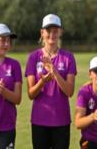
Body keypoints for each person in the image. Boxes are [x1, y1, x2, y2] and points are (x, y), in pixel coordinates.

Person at [25, 14, 76, 149]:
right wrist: (42, 82)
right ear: (42, 32)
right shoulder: (33, 57)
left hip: (61, 120)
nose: (52, 34)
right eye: (48, 31)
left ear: (60, 32)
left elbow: (70, 91)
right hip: (39, 120)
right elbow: (31, 94)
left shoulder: (68, 57)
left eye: (55, 31)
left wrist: (54, 71)